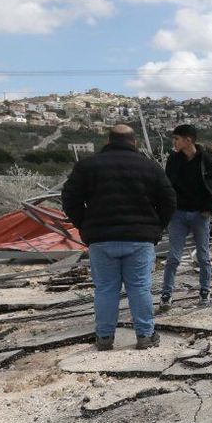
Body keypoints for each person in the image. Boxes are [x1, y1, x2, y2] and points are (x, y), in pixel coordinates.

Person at [62, 124, 176, 351]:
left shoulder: (87, 166)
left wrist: (85, 225)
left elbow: (69, 199)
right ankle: (145, 336)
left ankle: (104, 338)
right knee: (140, 288)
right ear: (134, 142)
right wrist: (155, 228)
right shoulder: (149, 166)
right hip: (140, 239)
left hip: (101, 238)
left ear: (109, 141)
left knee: (105, 289)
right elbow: (169, 200)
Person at [160, 123, 212, 310]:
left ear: (187, 140)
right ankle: (166, 294)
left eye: (176, 139)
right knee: (173, 257)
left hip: (200, 214)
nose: (174, 142)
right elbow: (166, 186)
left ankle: (205, 291)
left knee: (203, 256)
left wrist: (210, 209)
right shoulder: (173, 160)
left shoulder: (208, 160)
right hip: (178, 214)